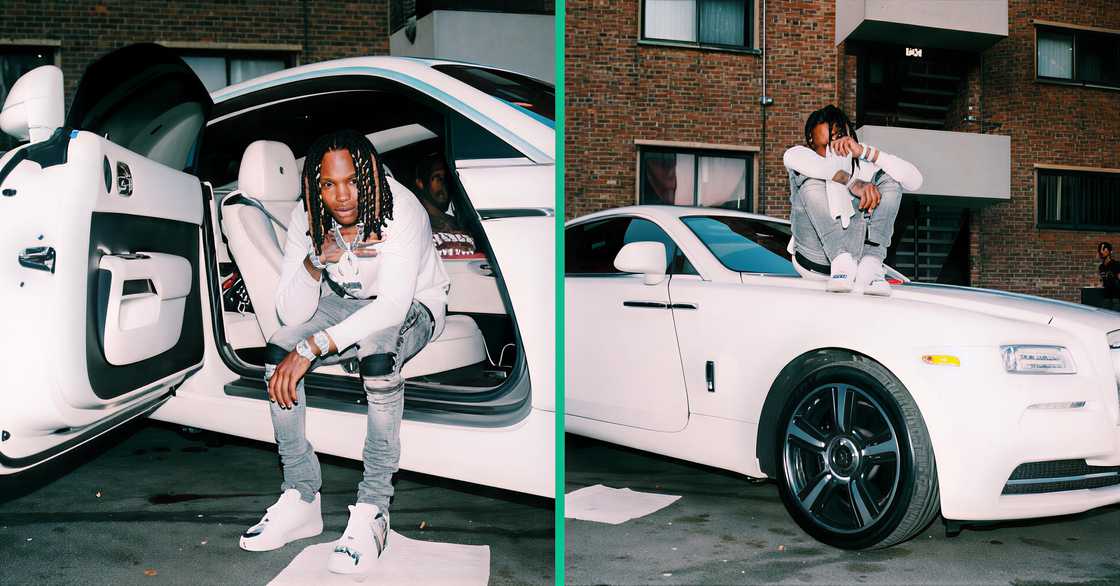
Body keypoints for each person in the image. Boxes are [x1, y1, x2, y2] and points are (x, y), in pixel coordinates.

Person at [239, 129, 450, 575]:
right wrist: (316, 262)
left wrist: (314, 347)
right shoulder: (308, 217)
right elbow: (290, 310)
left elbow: (392, 305)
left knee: (376, 354)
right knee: (279, 350)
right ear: (315, 187)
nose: (342, 196)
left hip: (416, 302)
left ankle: (374, 507)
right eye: (328, 185)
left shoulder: (399, 210)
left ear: (370, 173)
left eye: (352, 180)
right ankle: (301, 495)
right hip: (344, 302)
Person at [783, 105, 923, 296]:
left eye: (836, 139)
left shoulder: (865, 167)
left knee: (891, 178)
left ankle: (871, 264)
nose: (831, 151)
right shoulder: (805, 157)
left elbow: (915, 181)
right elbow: (791, 157)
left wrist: (865, 152)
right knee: (809, 177)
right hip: (814, 257)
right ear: (811, 141)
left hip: (856, 258)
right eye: (823, 146)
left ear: (848, 134)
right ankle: (840, 260)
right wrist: (852, 183)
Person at [413, 152, 477, 257]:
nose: (444, 183)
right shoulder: (415, 222)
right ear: (421, 183)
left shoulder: (458, 222)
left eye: (447, 178)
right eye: (437, 177)